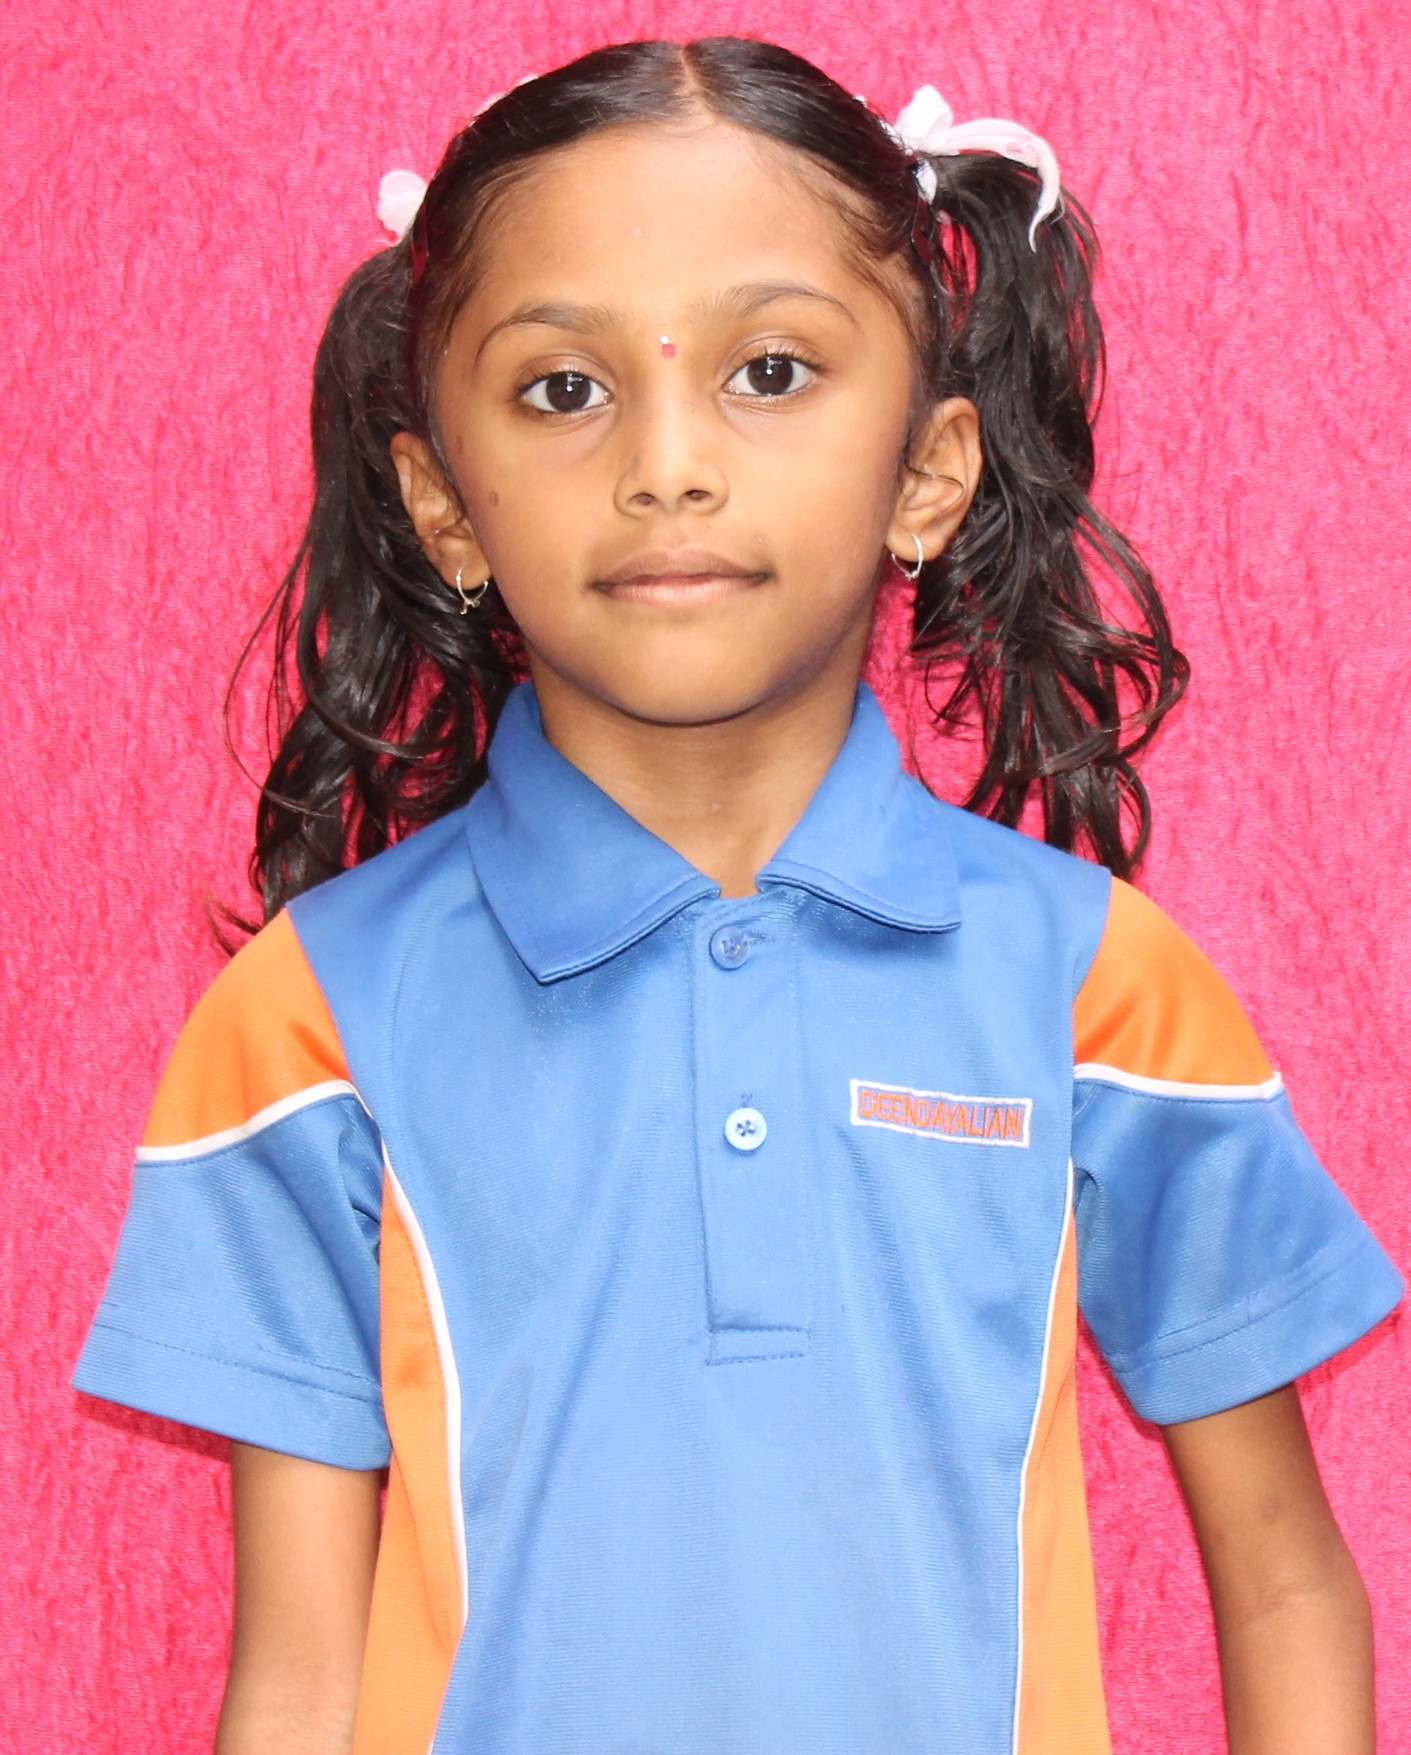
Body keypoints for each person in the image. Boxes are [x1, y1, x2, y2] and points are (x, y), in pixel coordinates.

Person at [73, 35, 1401, 1755]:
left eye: (770, 370)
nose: (669, 464)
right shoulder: (308, 1023)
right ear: (442, 504)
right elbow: (300, 1676)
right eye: (564, 388)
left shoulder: (1103, 993)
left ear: (929, 473)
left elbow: (1287, 1582)